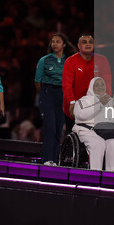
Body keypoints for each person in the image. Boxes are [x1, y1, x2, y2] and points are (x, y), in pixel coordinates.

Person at [34, 32, 75, 165]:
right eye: (53, 42)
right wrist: (45, 95)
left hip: (62, 96)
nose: (55, 44)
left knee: (58, 128)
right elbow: (37, 81)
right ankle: (47, 159)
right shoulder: (44, 60)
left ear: (64, 44)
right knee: (50, 126)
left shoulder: (69, 61)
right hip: (48, 94)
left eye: (58, 41)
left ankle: (55, 159)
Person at [62, 34, 112, 134]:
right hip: (74, 107)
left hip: (95, 107)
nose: (88, 44)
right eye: (84, 42)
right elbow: (67, 85)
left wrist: (107, 101)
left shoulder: (102, 61)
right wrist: (72, 103)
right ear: (78, 46)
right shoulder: (70, 61)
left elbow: (107, 83)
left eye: (90, 42)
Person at [73, 77, 114, 171]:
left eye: (102, 84)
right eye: (97, 85)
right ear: (91, 87)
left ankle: (112, 174)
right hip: (89, 131)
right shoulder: (84, 101)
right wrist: (100, 104)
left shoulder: (112, 100)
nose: (100, 87)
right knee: (98, 143)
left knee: (113, 144)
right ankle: (95, 173)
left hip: (109, 131)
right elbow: (81, 115)